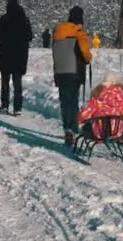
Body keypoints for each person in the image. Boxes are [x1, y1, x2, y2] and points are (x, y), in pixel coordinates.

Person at [52, 6, 92, 145]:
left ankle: (67, 129)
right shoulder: (78, 31)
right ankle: (73, 129)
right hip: (74, 71)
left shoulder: (57, 30)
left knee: (64, 101)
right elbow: (85, 53)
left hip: (60, 71)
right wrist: (88, 58)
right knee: (73, 101)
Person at [0, 0, 32, 116]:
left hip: (5, 55)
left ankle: (4, 105)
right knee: (17, 83)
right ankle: (17, 108)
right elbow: (29, 36)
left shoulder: (3, 19)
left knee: (5, 82)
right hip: (20, 56)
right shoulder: (24, 20)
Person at [77, 72, 123, 140]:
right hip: (116, 131)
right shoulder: (120, 99)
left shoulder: (97, 96)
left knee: (88, 126)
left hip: (99, 132)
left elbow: (86, 113)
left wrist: (79, 119)